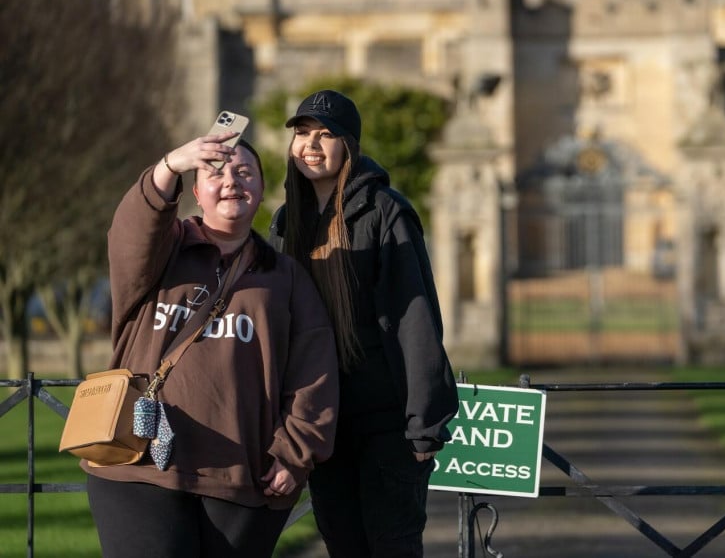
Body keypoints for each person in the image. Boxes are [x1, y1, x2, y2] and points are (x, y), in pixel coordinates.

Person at [85, 132, 339, 558]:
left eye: (245, 173)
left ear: (260, 191)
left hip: (240, 477)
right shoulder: (161, 253)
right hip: (137, 465)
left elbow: (314, 370)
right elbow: (133, 229)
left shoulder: (285, 276)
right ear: (197, 192)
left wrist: (295, 454)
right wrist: (170, 165)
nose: (231, 181)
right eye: (215, 172)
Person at [271, 89, 459, 558]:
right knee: (343, 546)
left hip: (386, 423)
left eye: (325, 134)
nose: (310, 145)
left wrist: (424, 426)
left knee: (391, 546)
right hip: (321, 421)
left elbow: (414, 319)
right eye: (301, 134)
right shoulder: (284, 221)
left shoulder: (384, 212)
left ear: (349, 145)